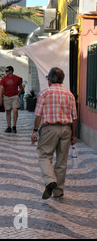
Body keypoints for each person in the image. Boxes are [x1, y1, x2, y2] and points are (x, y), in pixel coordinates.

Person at [31, 67, 77, 200]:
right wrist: (73, 135)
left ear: (50, 79)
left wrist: (34, 131)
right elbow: (74, 118)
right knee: (62, 161)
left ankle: (50, 180)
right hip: (66, 129)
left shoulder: (45, 93)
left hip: (49, 129)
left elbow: (38, 115)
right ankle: (58, 191)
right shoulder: (69, 95)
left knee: (44, 155)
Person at [0, 66, 23, 133]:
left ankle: (14, 126)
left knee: (15, 110)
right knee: (8, 111)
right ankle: (9, 127)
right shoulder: (4, 79)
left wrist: (18, 95)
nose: (5, 72)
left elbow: (21, 87)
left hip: (15, 96)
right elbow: (1, 89)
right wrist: (0, 99)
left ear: (11, 71)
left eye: (7, 71)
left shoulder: (17, 78)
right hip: (6, 97)